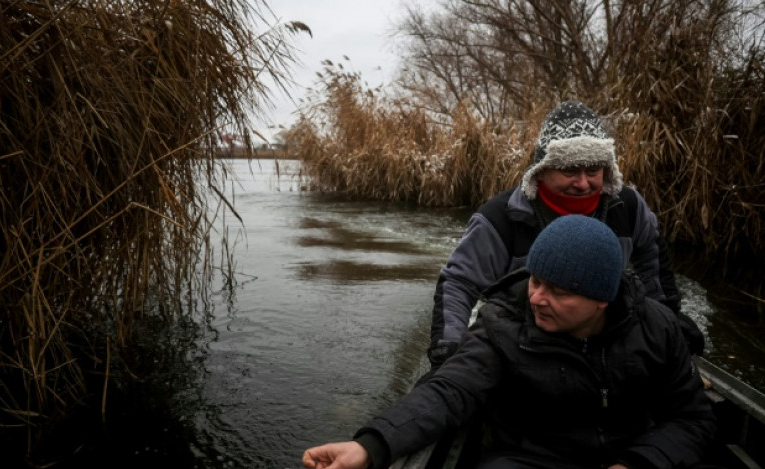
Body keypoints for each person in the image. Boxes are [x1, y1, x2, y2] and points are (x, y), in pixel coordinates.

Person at [302, 215, 717, 469]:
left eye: (559, 291)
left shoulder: (658, 329)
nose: (537, 298)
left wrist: (635, 464)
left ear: (602, 299)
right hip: (532, 458)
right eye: (536, 280)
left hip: (635, 450)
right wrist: (369, 445)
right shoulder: (503, 323)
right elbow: (449, 390)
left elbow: (692, 419)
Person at [428, 101, 704, 371]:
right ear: (542, 169)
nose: (583, 183)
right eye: (570, 170)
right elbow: (459, 283)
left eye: (593, 171)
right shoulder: (501, 217)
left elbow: (653, 261)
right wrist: (447, 348)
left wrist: (666, 320)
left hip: (603, 335)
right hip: (521, 342)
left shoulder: (629, 207)